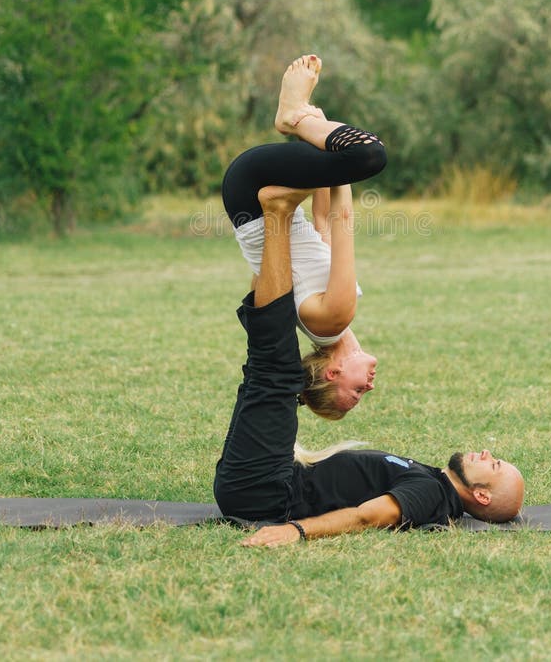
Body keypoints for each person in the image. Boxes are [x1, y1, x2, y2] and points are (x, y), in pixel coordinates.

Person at [213, 185, 525, 548]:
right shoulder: (433, 479)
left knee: (274, 373)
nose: (487, 454)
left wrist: (295, 531)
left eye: (495, 465)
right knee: (269, 370)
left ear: (482, 496)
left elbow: (369, 517)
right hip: (265, 482)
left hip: (267, 492)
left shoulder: (432, 496)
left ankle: (276, 216)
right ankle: (275, 217)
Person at [221, 54, 386, 419]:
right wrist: (324, 139)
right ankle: (302, 121)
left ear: (333, 372)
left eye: (357, 390)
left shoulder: (334, 318)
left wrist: (328, 140)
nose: (370, 385)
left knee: (368, 154)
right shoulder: (320, 324)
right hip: (244, 195)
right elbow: (324, 220)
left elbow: (343, 218)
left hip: (254, 191)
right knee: (350, 153)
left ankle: (293, 116)